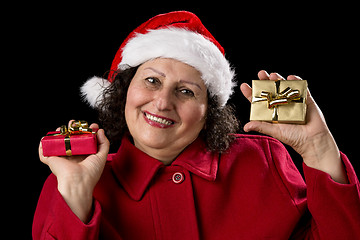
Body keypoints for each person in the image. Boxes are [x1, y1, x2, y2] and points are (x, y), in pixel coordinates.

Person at [33, 11, 360, 239]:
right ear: (124, 91)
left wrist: (319, 148)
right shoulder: (76, 179)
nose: (162, 102)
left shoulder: (263, 160)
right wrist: (75, 193)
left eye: (186, 91)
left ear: (209, 111)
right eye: (151, 81)